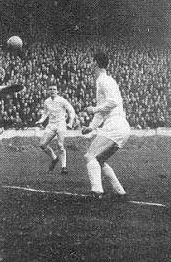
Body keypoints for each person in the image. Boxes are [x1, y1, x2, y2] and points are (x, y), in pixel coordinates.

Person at [81, 51, 130, 200]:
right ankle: (119, 190)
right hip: (120, 126)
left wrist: (94, 108)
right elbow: (103, 111)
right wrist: (91, 127)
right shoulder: (104, 81)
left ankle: (97, 191)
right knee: (99, 159)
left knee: (90, 156)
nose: (89, 65)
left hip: (115, 125)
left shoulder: (104, 80)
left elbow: (113, 102)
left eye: (91, 61)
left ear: (95, 63)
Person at [35, 85, 77, 174]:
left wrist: (70, 122)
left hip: (61, 124)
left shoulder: (62, 100)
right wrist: (41, 120)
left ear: (57, 91)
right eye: (50, 89)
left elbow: (71, 110)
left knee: (60, 145)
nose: (52, 91)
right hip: (51, 125)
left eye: (54, 89)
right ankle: (54, 158)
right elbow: (45, 113)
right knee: (42, 145)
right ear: (48, 91)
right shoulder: (47, 101)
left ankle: (64, 167)